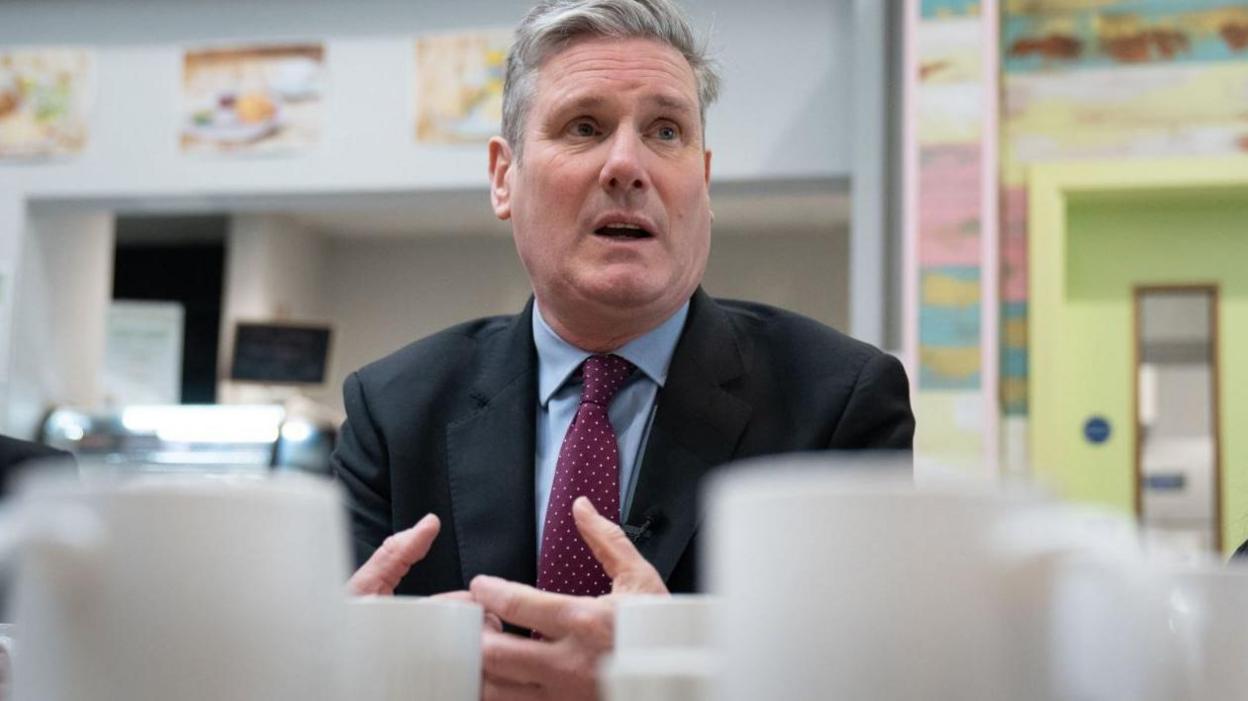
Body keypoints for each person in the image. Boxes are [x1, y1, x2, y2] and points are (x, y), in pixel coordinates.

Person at [332, 0, 915, 698]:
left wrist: (670, 671)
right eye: (585, 126)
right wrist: (341, 664)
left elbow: (873, 679)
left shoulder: (842, 403)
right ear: (502, 176)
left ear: (703, 178)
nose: (627, 164)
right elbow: (326, 666)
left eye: (665, 131)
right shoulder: (391, 412)